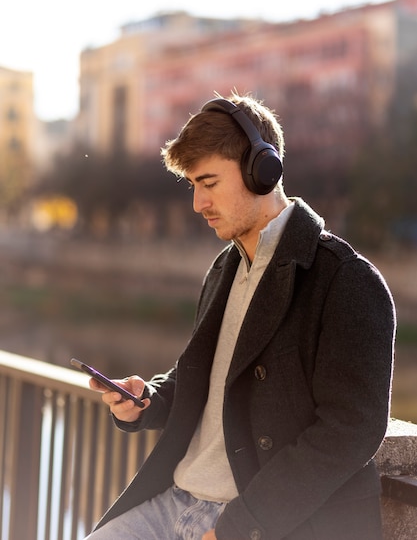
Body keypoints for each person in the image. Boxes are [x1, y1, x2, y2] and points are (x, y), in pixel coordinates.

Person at [85, 92, 396, 540]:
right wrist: (148, 400)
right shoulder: (225, 267)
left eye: (209, 183)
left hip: (258, 523)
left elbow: (351, 430)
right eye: (193, 185)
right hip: (173, 502)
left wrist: (238, 527)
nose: (198, 203)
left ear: (262, 171)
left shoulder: (346, 280)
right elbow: (210, 380)